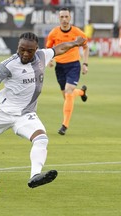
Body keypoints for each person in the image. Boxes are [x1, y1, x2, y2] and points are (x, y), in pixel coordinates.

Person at [0, 32, 86, 188]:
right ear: (18, 47)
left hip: (25, 115)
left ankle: (35, 176)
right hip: (1, 113)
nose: (25, 53)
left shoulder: (43, 56)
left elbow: (60, 48)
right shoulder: (8, 65)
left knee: (41, 139)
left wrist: (76, 42)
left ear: (36, 49)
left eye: (29, 51)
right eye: (21, 49)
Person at [46, 7, 89, 135]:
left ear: (70, 18)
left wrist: (85, 64)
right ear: (59, 18)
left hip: (74, 65)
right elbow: (48, 48)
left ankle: (64, 125)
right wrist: (50, 59)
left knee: (69, 91)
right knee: (66, 95)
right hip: (60, 67)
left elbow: (86, 48)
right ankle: (81, 92)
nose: (64, 19)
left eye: (66, 17)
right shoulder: (54, 33)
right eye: (62, 17)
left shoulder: (78, 33)